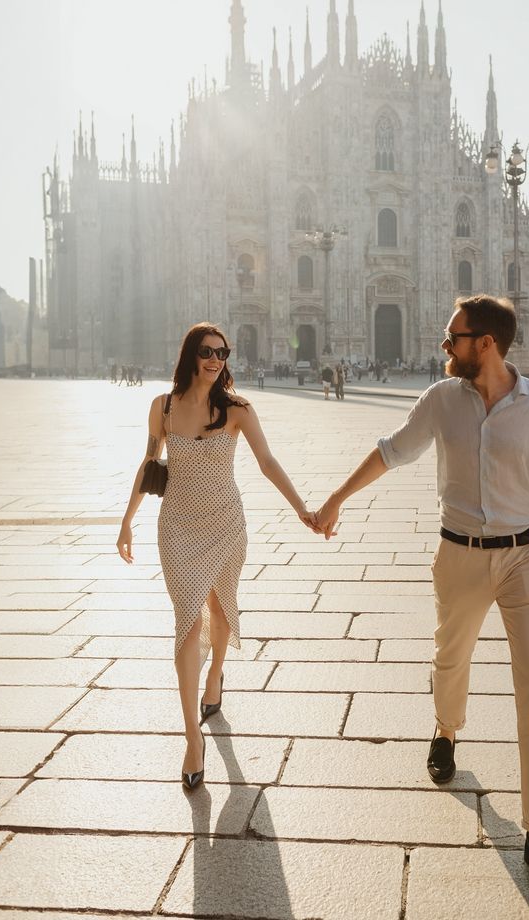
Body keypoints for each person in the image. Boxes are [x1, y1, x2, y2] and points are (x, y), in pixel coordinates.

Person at [314, 295, 529, 914]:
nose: (444, 348)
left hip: (525, 557)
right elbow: (392, 450)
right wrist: (336, 497)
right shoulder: (441, 400)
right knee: (452, 657)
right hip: (460, 553)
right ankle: (446, 730)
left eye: (453, 339)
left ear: (485, 343)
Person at [116, 322, 317, 790]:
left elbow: (267, 463)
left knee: (220, 609)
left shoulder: (238, 409)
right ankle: (192, 737)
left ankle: (216, 677)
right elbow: (150, 465)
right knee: (187, 619)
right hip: (178, 526)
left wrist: (302, 509)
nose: (215, 360)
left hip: (226, 523)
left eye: (223, 353)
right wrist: (126, 521)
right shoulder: (162, 407)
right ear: (190, 354)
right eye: (207, 351)